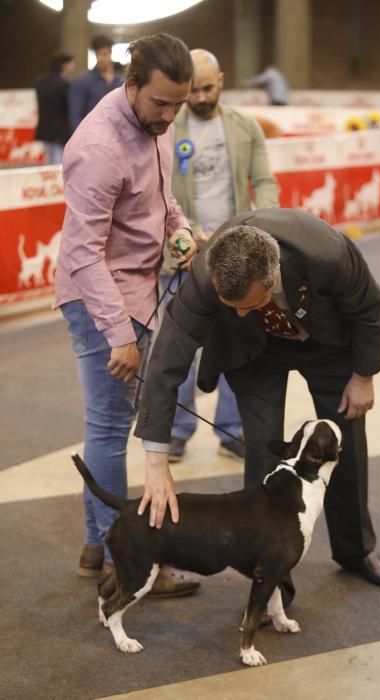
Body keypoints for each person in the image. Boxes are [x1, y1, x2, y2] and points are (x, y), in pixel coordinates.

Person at [135, 208, 380, 607]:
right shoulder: (207, 278)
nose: (238, 312)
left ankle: (357, 549)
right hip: (253, 355)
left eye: (247, 303)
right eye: (231, 305)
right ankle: (272, 577)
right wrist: (156, 462)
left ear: (271, 278)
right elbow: (164, 363)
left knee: (343, 443)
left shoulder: (324, 253)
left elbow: (370, 307)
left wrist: (363, 376)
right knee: (262, 451)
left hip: (327, 346)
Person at [54, 32, 200, 597]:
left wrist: (180, 230)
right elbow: (81, 252)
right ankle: (125, 560)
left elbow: (163, 201)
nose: (168, 116)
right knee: (112, 428)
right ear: (130, 83)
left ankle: (98, 544)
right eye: (160, 103)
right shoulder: (97, 147)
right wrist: (119, 334)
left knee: (113, 424)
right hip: (99, 298)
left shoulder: (156, 125)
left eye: (178, 105)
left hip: (140, 287)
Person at [162, 48, 279, 463]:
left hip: (236, 255)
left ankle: (232, 431)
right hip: (182, 254)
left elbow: (264, 182)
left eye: (208, 88)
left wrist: (251, 224)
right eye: (193, 89)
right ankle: (175, 431)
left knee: (238, 344)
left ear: (222, 82)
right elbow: (157, 190)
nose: (199, 97)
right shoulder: (167, 128)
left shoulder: (246, 127)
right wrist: (189, 232)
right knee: (178, 349)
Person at [68, 34, 123, 131]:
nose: (101, 58)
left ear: (110, 53)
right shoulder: (82, 81)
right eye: (98, 54)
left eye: (104, 54)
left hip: (116, 136)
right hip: (92, 135)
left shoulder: (120, 80)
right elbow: (75, 116)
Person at [34, 52, 75, 164]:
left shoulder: (40, 81)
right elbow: (69, 109)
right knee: (59, 164)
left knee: (49, 163)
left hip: (44, 128)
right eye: (71, 63)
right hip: (60, 131)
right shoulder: (65, 83)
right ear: (65, 65)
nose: (73, 66)